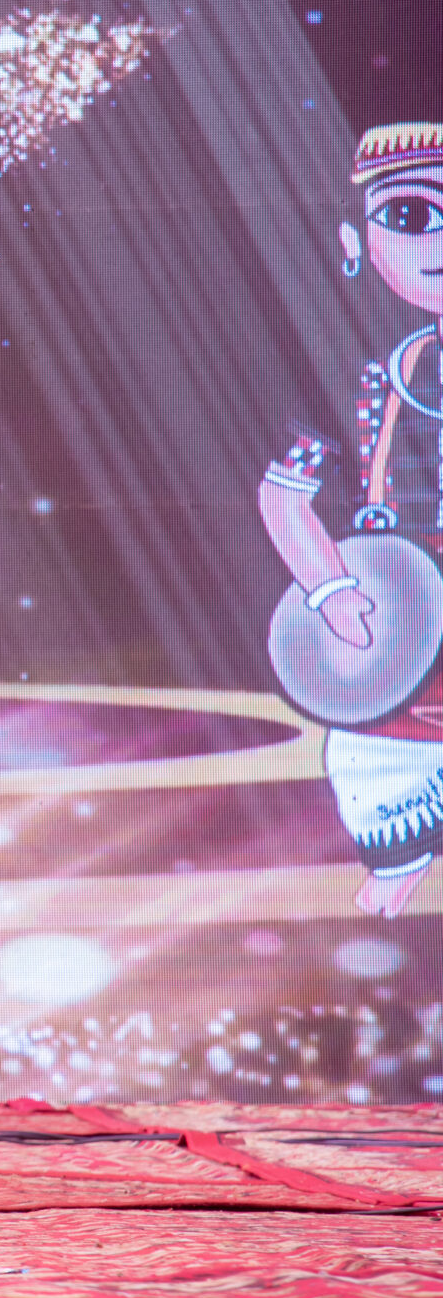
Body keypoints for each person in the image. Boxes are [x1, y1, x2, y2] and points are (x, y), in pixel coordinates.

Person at [259, 121, 443, 919]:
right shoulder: (364, 384)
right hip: (398, 626)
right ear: (352, 241)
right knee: (377, 780)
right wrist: (333, 590)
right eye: (412, 215)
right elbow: (283, 496)